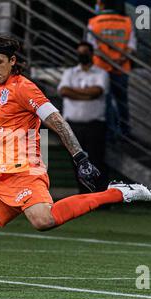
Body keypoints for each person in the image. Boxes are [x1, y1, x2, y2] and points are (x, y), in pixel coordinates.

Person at [0, 35, 151, 288]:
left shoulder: (24, 88)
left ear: (12, 61)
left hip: (26, 174)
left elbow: (57, 120)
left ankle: (116, 193)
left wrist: (80, 157)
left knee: (43, 221)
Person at [58, 41, 109, 193]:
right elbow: (64, 91)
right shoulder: (70, 72)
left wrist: (76, 93)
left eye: (85, 52)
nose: (82, 56)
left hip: (95, 125)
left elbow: (97, 92)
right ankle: (84, 194)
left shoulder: (101, 73)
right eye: (79, 53)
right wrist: (87, 94)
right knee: (77, 161)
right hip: (73, 126)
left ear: (92, 54)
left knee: (97, 160)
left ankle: (100, 195)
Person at [87, 0, 137, 140]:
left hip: (101, 69)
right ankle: (125, 133)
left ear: (102, 5)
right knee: (122, 102)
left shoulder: (94, 22)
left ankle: (111, 134)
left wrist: (108, 60)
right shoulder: (127, 22)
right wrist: (119, 60)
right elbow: (131, 47)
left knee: (106, 103)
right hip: (121, 68)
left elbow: (93, 48)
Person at [124, 0, 151, 64]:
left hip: (144, 6)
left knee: (142, 41)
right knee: (130, 39)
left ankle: (141, 69)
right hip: (129, 5)